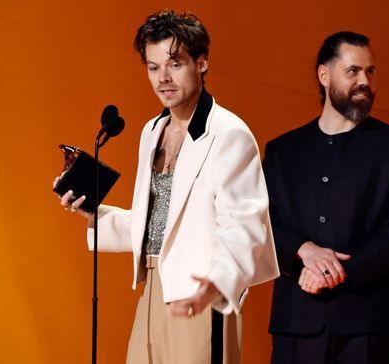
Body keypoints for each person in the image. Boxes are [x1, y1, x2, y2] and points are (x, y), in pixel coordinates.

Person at [54, 10, 278, 363]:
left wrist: (216, 287)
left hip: (202, 293)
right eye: (153, 67)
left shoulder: (229, 134)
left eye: (174, 64)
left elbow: (247, 225)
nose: (163, 79)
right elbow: (159, 220)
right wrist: (92, 211)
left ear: (201, 62)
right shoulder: (151, 131)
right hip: (152, 288)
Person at [264, 31, 389, 364]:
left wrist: (337, 271)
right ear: (324, 75)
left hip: (372, 321)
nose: (364, 80)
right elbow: (262, 222)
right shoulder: (282, 151)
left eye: (370, 72)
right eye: (353, 71)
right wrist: (303, 250)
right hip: (297, 318)